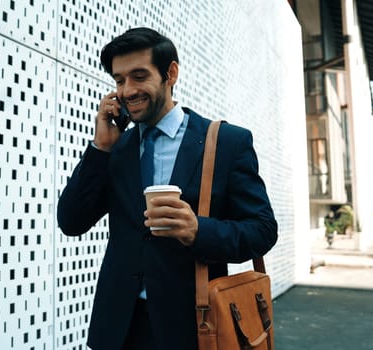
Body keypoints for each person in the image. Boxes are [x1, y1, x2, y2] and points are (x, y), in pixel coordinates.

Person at [57, 27, 278, 350]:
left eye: (139, 76)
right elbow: (71, 221)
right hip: (118, 330)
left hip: (193, 327)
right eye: (119, 80)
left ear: (170, 73)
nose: (127, 90)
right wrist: (100, 148)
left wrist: (198, 230)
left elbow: (262, 230)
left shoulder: (228, 143)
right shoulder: (116, 147)